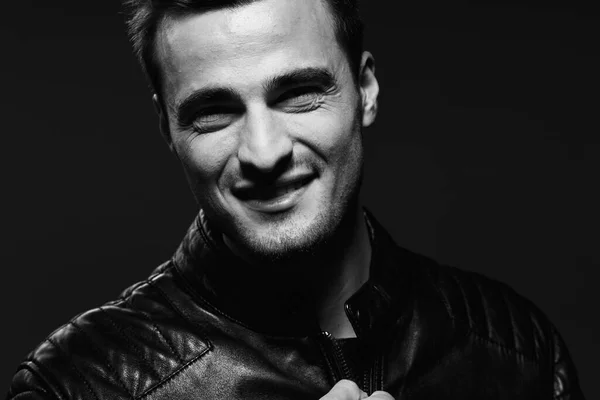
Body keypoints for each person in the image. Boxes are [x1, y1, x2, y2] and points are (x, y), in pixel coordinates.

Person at [6, 0, 585, 399]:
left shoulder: (516, 350)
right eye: (214, 112)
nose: (263, 152)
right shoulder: (83, 386)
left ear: (366, 91)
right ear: (167, 129)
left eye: (299, 93)